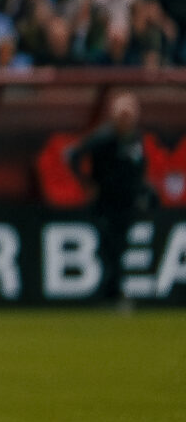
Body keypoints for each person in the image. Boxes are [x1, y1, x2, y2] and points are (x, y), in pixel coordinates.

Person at [66, 92, 151, 309]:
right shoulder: (104, 137)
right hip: (106, 201)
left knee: (119, 246)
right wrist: (87, 184)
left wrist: (142, 190)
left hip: (127, 201)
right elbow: (73, 155)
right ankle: (112, 294)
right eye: (123, 115)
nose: (127, 119)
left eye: (130, 114)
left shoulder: (135, 137)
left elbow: (138, 167)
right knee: (110, 246)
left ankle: (111, 293)